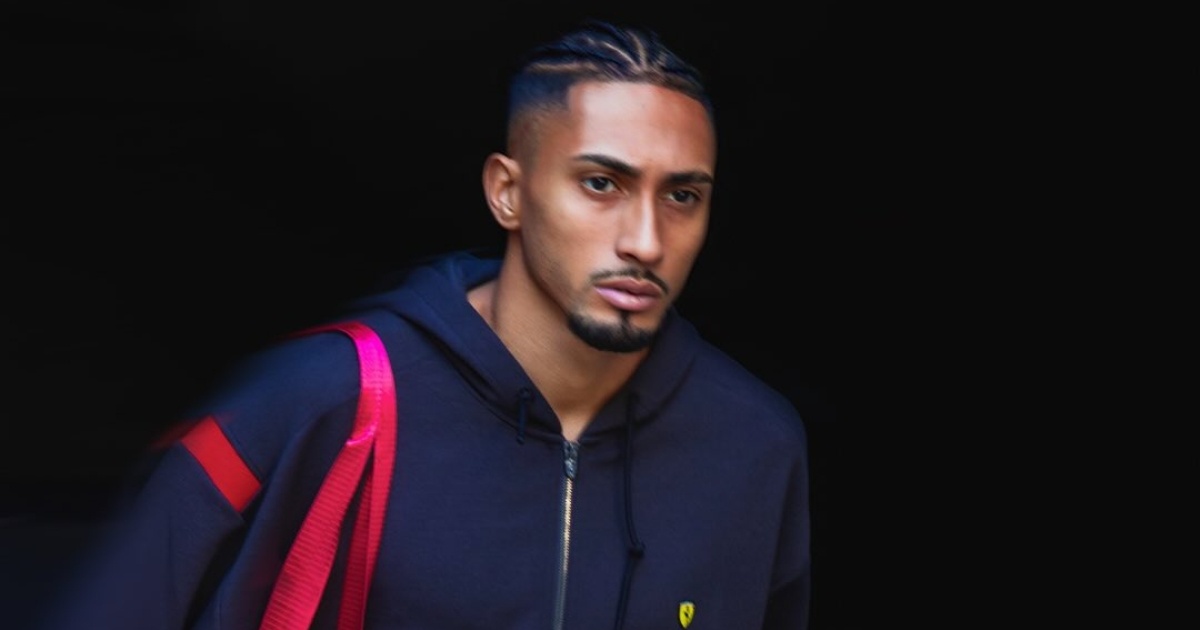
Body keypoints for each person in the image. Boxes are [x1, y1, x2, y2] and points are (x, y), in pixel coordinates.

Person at [42, 19, 811, 630]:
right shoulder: (310, 402)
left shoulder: (754, 445)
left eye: (682, 196)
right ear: (506, 192)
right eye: (602, 183)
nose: (645, 240)